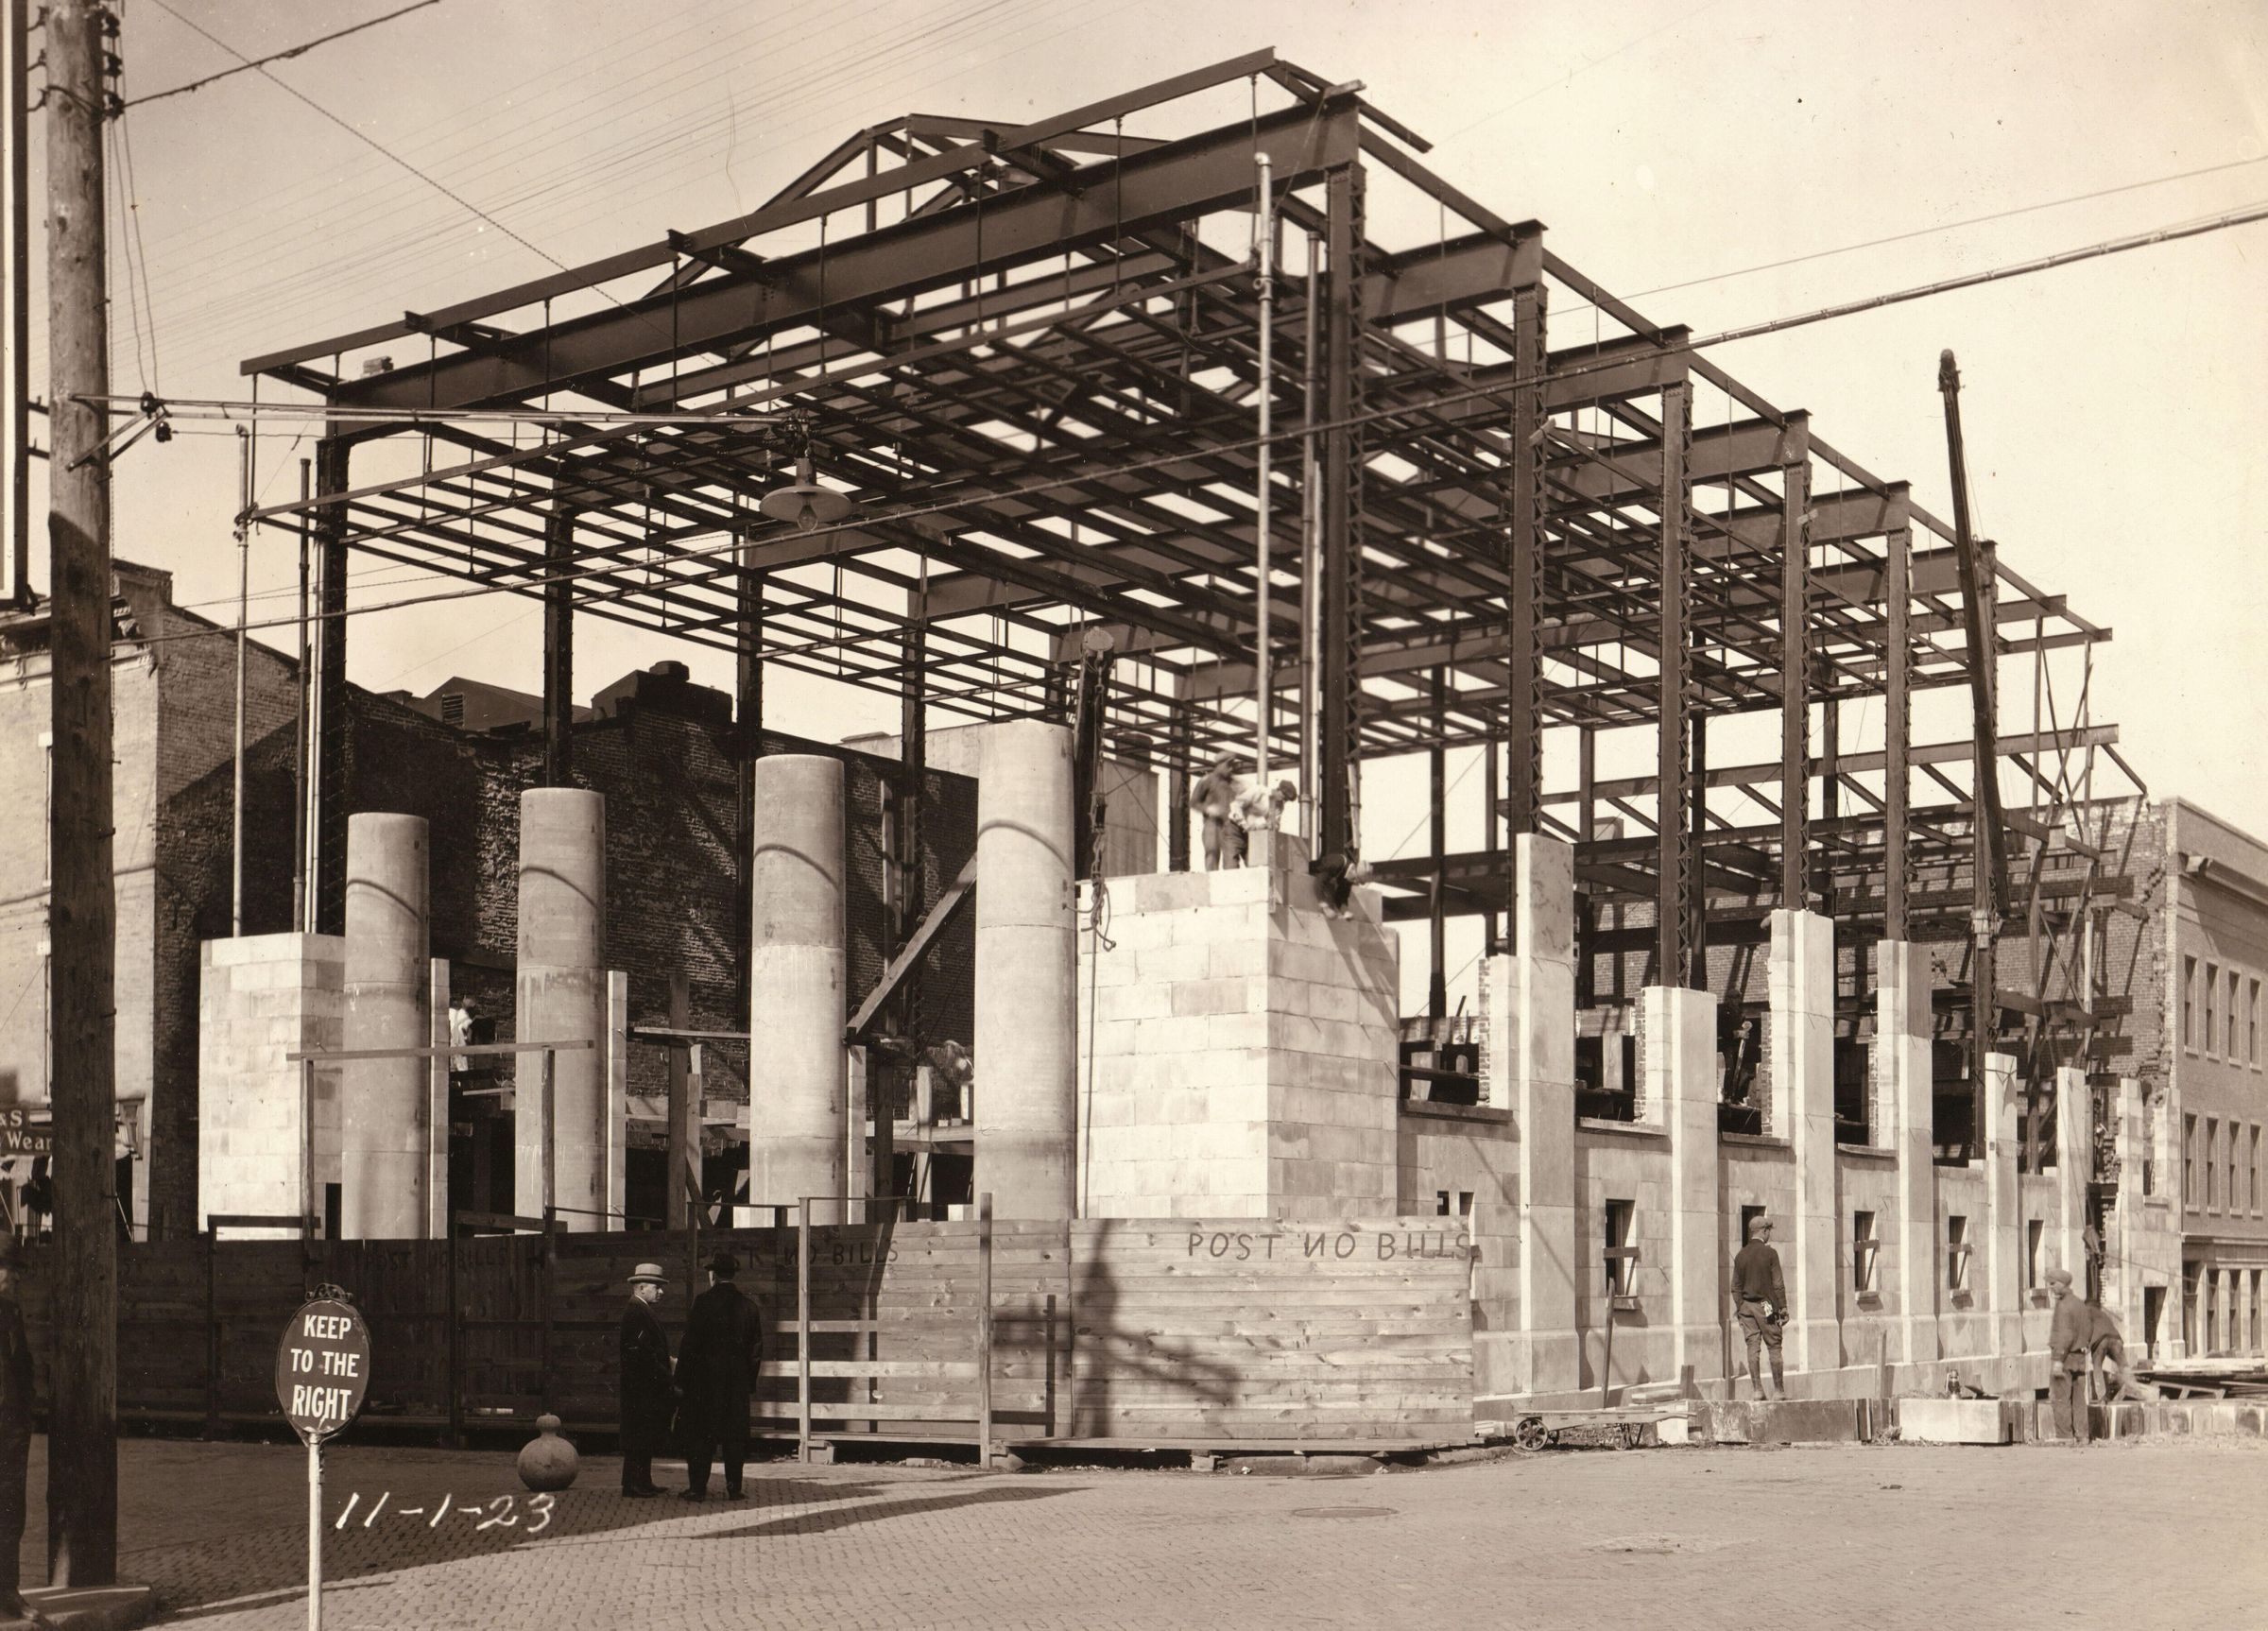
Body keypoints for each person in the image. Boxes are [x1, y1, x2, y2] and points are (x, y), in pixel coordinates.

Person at [677, 1251, 764, 1502]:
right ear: (733, 1274)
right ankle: (734, 1488)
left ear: (712, 1275)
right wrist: (748, 1383)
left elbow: (689, 1346)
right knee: (734, 1438)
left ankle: (697, 1489)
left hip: (703, 1386)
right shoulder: (749, 1307)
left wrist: (681, 1381)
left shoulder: (702, 1303)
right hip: (736, 1386)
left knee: (701, 1437)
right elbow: (756, 1351)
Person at [0, 1236, 45, 1625]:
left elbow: (22, 1365)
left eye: (16, 1270)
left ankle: (7, 1590)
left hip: (10, 1426)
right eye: (8, 1268)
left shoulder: (10, 1312)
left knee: (11, 1511)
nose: (15, 1277)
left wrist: (24, 1410)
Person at [617, 1262, 675, 1499]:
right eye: (656, 1287)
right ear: (641, 1287)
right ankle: (634, 1484)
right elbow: (642, 1355)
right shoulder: (637, 1313)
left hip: (643, 1386)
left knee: (643, 1434)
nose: (661, 1291)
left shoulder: (641, 1310)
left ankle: (642, 1481)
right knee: (639, 1435)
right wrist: (667, 1373)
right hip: (641, 1387)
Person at [1730, 1214, 1788, 1400]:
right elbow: (1778, 1284)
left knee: (1752, 1347)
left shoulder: (1740, 1255)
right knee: (1774, 1346)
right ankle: (1778, 1391)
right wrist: (1783, 1308)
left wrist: (1741, 1308)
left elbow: (1735, 1287)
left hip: (1747, 1308)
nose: (1769, 1234)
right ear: (1763, 1231)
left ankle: (1757, 1391)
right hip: (1766, 1307)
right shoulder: (1770, 1254)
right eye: (1768, 1230)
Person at [2046, 1267, 2092, 1445]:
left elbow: (2065, 1335)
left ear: (2062, 1284)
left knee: (2060, 1397)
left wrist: (2058, 1359)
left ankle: (2064, 1436)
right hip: (2080, 1357)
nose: (2050, 1288)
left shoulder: (2063, 1306)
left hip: (2065, 1358)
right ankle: (2083, 1435)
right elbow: (2089, 1329)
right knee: (2079, 1398)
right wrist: (2085, 1344)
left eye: (2052, 1284)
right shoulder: (2080, 1304)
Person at [1190, 755, 1244, 872]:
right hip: (1213, 824)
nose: (1231, 769)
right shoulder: (1207, 780)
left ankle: (1229, 882)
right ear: (1219, 764)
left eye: (1232, 766)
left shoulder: (1233, 783)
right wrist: (1208, 809)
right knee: (1212, 854)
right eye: (1228, 765)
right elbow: (1194, 802)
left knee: (1231, 860)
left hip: (1231, 825)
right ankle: (1211, 881)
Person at [1230, 779, 1297, 867]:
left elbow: (1275, 824)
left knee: (1255, 865)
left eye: (1286, 800)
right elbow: (1236, 805)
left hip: (1252, 834)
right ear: (1278, 790)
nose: (1284, 801)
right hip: (1234, 829)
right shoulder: (1259, 791)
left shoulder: (1279, 806)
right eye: (1284, 797)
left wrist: (1268, 826)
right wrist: (1244, 825)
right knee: (1231, 864)